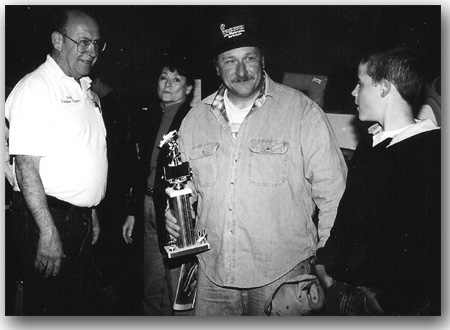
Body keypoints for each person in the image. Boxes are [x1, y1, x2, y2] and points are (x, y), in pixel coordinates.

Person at [165, 12, 347, 316]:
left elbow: (333, 193)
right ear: (217, 67)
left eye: (249, 59)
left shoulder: (301, 112)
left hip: (282, 278)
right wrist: (176, 214)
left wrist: (328, 262)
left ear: (262, 61)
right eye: (230, 61)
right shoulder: (195, 119)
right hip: (213, 277)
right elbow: (187, 190)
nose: (240, 71)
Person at [314, 47, 441, 316]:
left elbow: (431, 248)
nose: (353, 92)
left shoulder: (429, 154)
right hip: (345, 293)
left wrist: (387, 304)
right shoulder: (372, 144)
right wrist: (326, 268)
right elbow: (349, 215)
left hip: (386, 307)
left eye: (361, 84)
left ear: (384, 88)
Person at [5, 9, 108, 315]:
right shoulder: (36, 88)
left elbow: (84, 155)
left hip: (76, 219)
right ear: (57, 41)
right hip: (48, 218)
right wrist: (48, 233)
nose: (91, 51)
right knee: (49, 309)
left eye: (96, 44)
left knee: (73, 306)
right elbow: (26, 168)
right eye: (83, 42)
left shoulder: (85, 89)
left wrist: (91, 210)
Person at [122, 54, 195, 315]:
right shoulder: (150, 117)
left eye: (176, 79)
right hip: (148, 203)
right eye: (164, 77)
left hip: (174, 210)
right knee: (151, 285)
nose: (168, 84)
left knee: (175, 286)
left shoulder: (192, 119)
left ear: (188, 89)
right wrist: (133, 210)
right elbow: (139, 169)